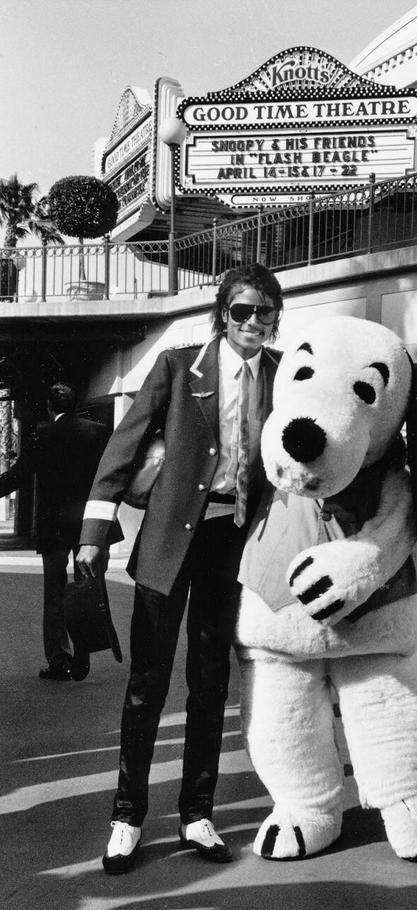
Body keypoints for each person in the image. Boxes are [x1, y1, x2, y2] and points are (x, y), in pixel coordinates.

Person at [76, 262, 283, 875]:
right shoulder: (176, 365)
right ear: (224, 313)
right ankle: (127, 816)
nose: (253, 322)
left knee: (210, 681)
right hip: (170, 543)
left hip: (233, 542)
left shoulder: (282, 374)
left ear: (276, 318)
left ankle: (198, 813)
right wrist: (93, 534)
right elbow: (123, 447)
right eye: (242, 310)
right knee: (147, 683)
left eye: (264, 311)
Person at [0, 382, 111, 680]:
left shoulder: (42, 433)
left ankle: (59, 659)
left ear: (50, 407)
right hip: (90, 525)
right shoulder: (98, 432)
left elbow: (18, 476)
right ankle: (83, 655)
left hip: (55, 528)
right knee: (87, 589)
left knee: (55, 593)